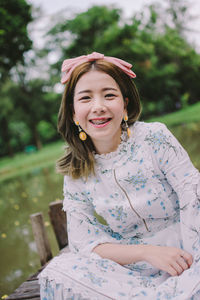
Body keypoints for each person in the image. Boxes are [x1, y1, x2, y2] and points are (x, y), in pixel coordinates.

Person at [38, 52, 200, 299]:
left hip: (188, 248)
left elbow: (192, 195)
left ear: (124, 103)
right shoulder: (76, 170)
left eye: (109, 95)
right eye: (85, 98)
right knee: (58, 272)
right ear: (73, 112)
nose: (98, 107)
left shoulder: (155, 137)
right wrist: (148, 253)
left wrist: (192, 259)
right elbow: (83, 242)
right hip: (133, 266)